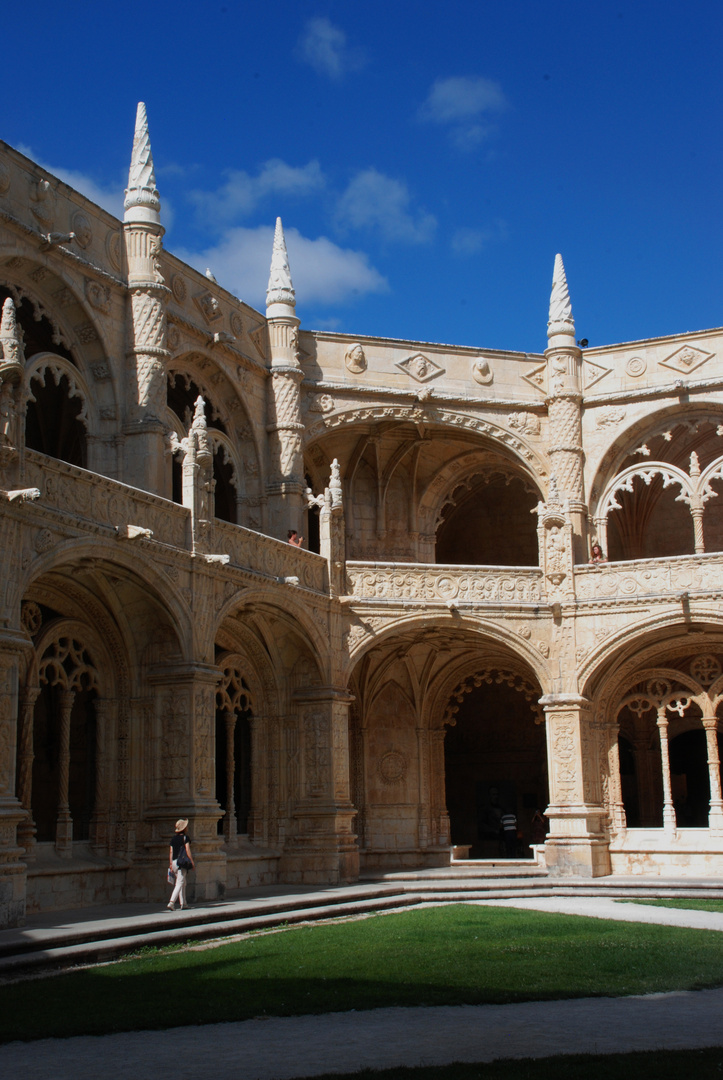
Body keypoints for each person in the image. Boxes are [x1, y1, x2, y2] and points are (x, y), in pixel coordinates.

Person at [168, 818, 194, 910]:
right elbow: (187, 850)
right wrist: (192, 861)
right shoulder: (185, 838)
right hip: (181, 863)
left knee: (183, 882)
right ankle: (171, 902)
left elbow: (171, 852)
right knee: (179, 883)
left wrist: (170, 864)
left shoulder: (173, 839)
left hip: (174, 862)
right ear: (184, 828)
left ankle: (184, 903)